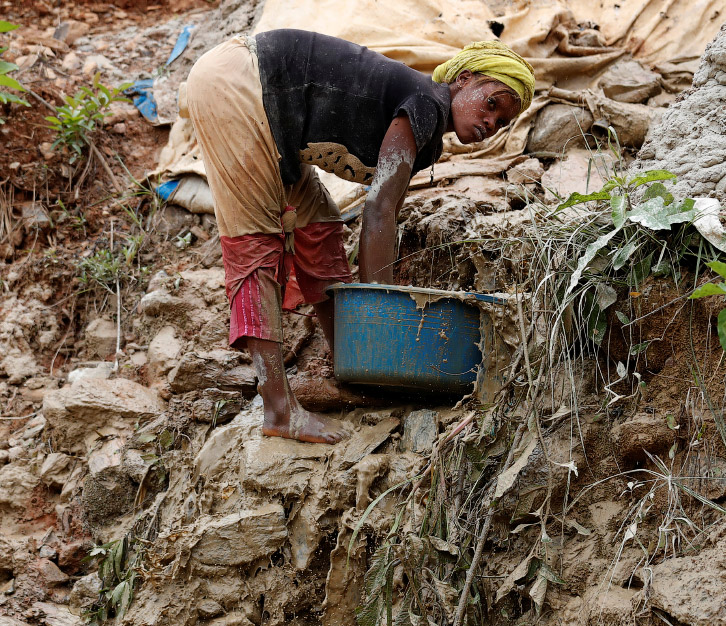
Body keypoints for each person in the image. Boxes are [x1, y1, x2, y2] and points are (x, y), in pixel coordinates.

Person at [185, 29, 535, 444]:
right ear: (463, 79)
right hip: (239, 82)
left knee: (321, 231)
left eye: (502, 121)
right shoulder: (427, 102)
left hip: (277, 119)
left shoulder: (429, 131)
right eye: (491, 103)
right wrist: (386, 322)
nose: (491, 122)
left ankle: (351, 364)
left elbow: (385, 209)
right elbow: (379, 210)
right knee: (255, 246)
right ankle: (279, 409)